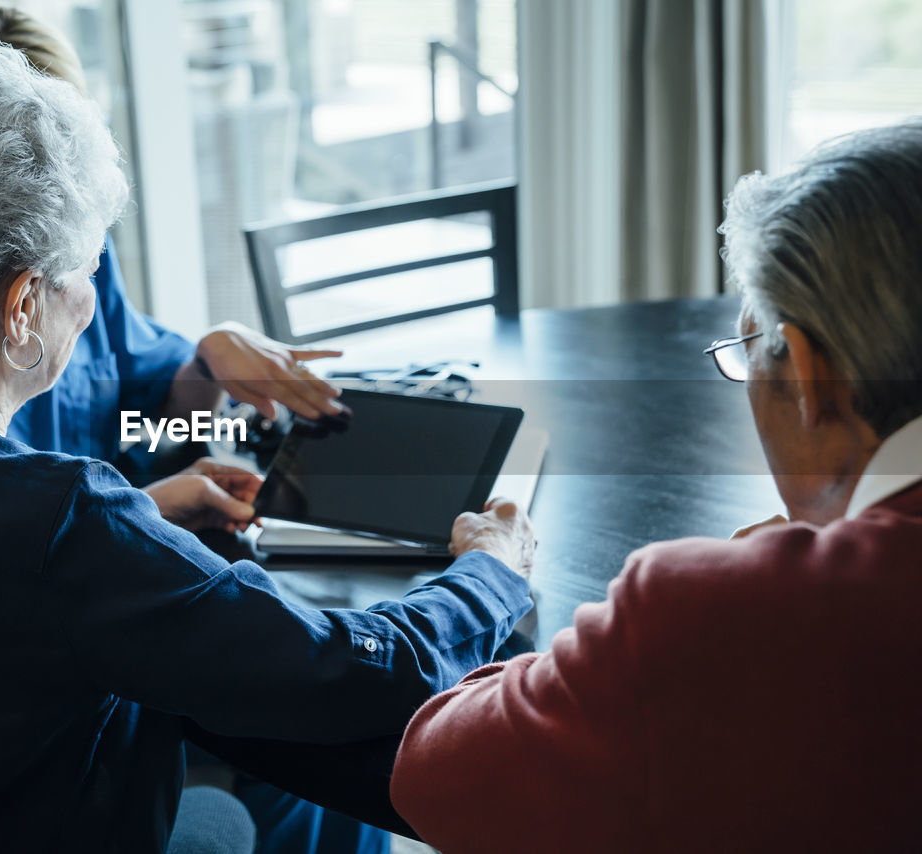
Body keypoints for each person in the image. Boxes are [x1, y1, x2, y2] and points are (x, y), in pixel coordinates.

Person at [0, 44, 534, 853]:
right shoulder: (60, 519)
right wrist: (490, 571)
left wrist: (135, 520)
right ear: (25, 305)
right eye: (87, 271)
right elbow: (365, 676)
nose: (92, 298)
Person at [389, 121, 922, 852]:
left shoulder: (713, 612)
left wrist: (680, 617)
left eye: (748, 353)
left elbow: (432, 776)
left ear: (805, 375)